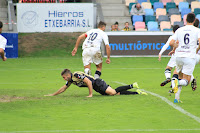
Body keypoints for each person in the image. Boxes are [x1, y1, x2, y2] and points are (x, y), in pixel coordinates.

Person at [44, 69, 147, 97]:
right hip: (96, 87)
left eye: (63, 77)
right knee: (116, 94)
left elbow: (88, 82)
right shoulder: (71, 80)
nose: (64, 79)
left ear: (67, 75)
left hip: (97, 83)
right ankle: (137, 92)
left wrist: (90, 94)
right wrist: (53, 94)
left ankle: (132, 85)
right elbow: (63, 88)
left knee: (113, 92)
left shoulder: (76, 75)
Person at [169, 13, 200, 103]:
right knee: (186, 80)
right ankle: (176, 83)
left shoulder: (180, 30)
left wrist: (176, 47)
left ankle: (176, 98)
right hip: (190, 57)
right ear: (194, 20)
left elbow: (171, 43)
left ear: (185, 20)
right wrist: (197, 49)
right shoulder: (197, 30)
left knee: (179, 75)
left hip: (178, 56)